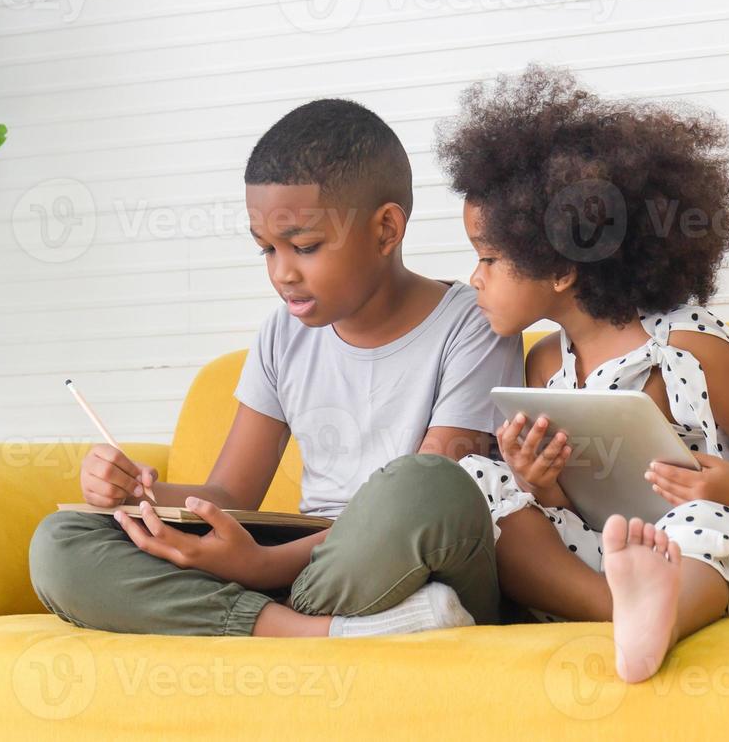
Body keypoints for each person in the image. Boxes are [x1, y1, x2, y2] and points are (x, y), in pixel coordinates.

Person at [30, 98, 524, 637]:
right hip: (303, 567)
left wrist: (260, 568)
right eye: (266, 249)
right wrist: (138, 496)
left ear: (386, 231)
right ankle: (315, 632)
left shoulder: (474, 324)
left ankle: (278, 620)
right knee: (62, 541)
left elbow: (438, 499)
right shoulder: (282, 336)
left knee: (426, 483)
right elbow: (228, 499)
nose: (282, 273)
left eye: (305, 246)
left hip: (403, 562)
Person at [434, 64, 729, 681]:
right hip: (604, 556)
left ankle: (662, 611)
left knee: (703, 525)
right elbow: (570, 502)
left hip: (706, 554)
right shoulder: (544, 364)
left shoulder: (689, 349)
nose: (475, 279)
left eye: (489, 257)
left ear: (562, 269)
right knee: (480, 483)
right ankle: (623, 610)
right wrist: (538, 482)